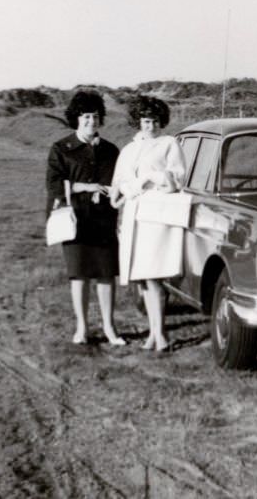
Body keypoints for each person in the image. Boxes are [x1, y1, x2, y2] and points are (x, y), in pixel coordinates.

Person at [46, 90, 125, 346]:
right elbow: (54, 184)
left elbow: (121, 182)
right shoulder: (62, 149)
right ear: (76, 118)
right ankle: (82, 328)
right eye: (86, 116)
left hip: (104, 219)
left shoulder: (112, 151)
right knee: (79, 274)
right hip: (76, 219)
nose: (91, 121)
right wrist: (83, 187)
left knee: (105, 273)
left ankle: (109, 327)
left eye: (95, 116)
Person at [110, 95, 186, 352]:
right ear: (138, 121)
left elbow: (178, 177)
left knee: (154, 275)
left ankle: (161, 333)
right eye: (145, 121)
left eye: (154, 121)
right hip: (134, 215)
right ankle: (154, 334)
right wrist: (127, 187)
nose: (149, 126)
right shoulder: (130, 148)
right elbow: (120, 179)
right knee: (141, 277)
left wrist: (150, 178)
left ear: (160, 121)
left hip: (156, 215)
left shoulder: (169, 144)